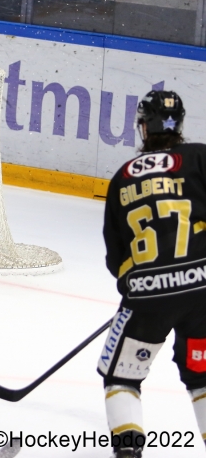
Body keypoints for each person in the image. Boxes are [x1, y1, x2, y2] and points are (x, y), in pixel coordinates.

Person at [99, 90, 206, 457]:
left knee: (122, 376)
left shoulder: (123, 177)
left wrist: (139, 286)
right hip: (203, 293)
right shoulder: (200, 157)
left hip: (146, 298)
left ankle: (128, 453)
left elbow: (117, 256)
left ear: (144, 127)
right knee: (204, 378)